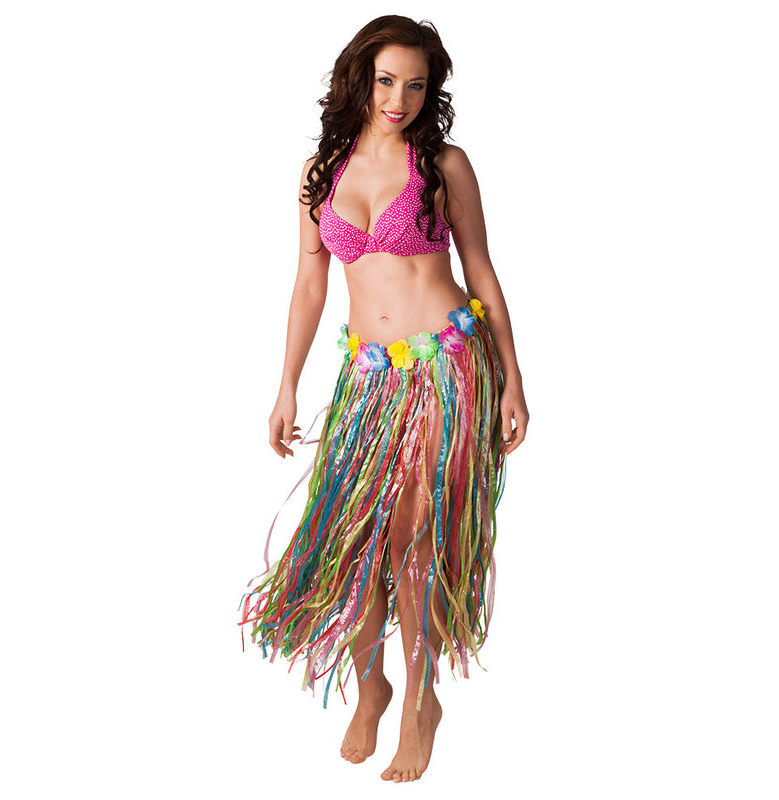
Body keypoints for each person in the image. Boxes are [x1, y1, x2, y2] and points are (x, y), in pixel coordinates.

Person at [238, 14, 529, 784]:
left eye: (417, 86)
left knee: (414, 542)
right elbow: (310, 286)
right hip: (366, 381)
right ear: (359, 80)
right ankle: (374, 686)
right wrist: (286, 385)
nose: (400, 99)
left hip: (448, 372)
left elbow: (482, 272)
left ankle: (420, 704)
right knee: (354, 544)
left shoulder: (443, 165)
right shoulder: (322, 171)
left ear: (432, 92)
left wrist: (514, 379)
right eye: (386, 81)